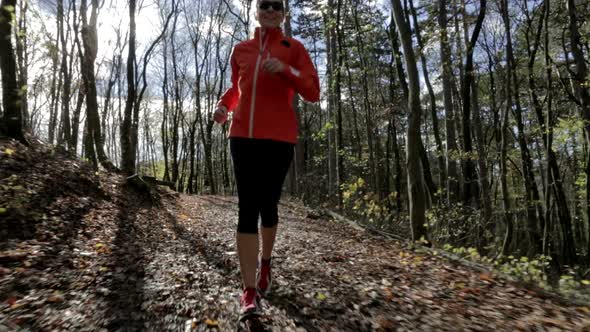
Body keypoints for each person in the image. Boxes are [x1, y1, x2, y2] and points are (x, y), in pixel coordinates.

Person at [213, 0, 320, 317]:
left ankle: (265, 262)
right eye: (264, 5)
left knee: (268, 204)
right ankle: (248, 291)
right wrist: (223, 107)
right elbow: (236, 88)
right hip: (242, 136)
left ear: (284, 14)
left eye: (277, 5)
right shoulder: (241, 50)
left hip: (279, 138)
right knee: (247, 208)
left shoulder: (294, 48)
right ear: (256, 11)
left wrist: (287, 71)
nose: (270, 9)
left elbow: (313, 91)